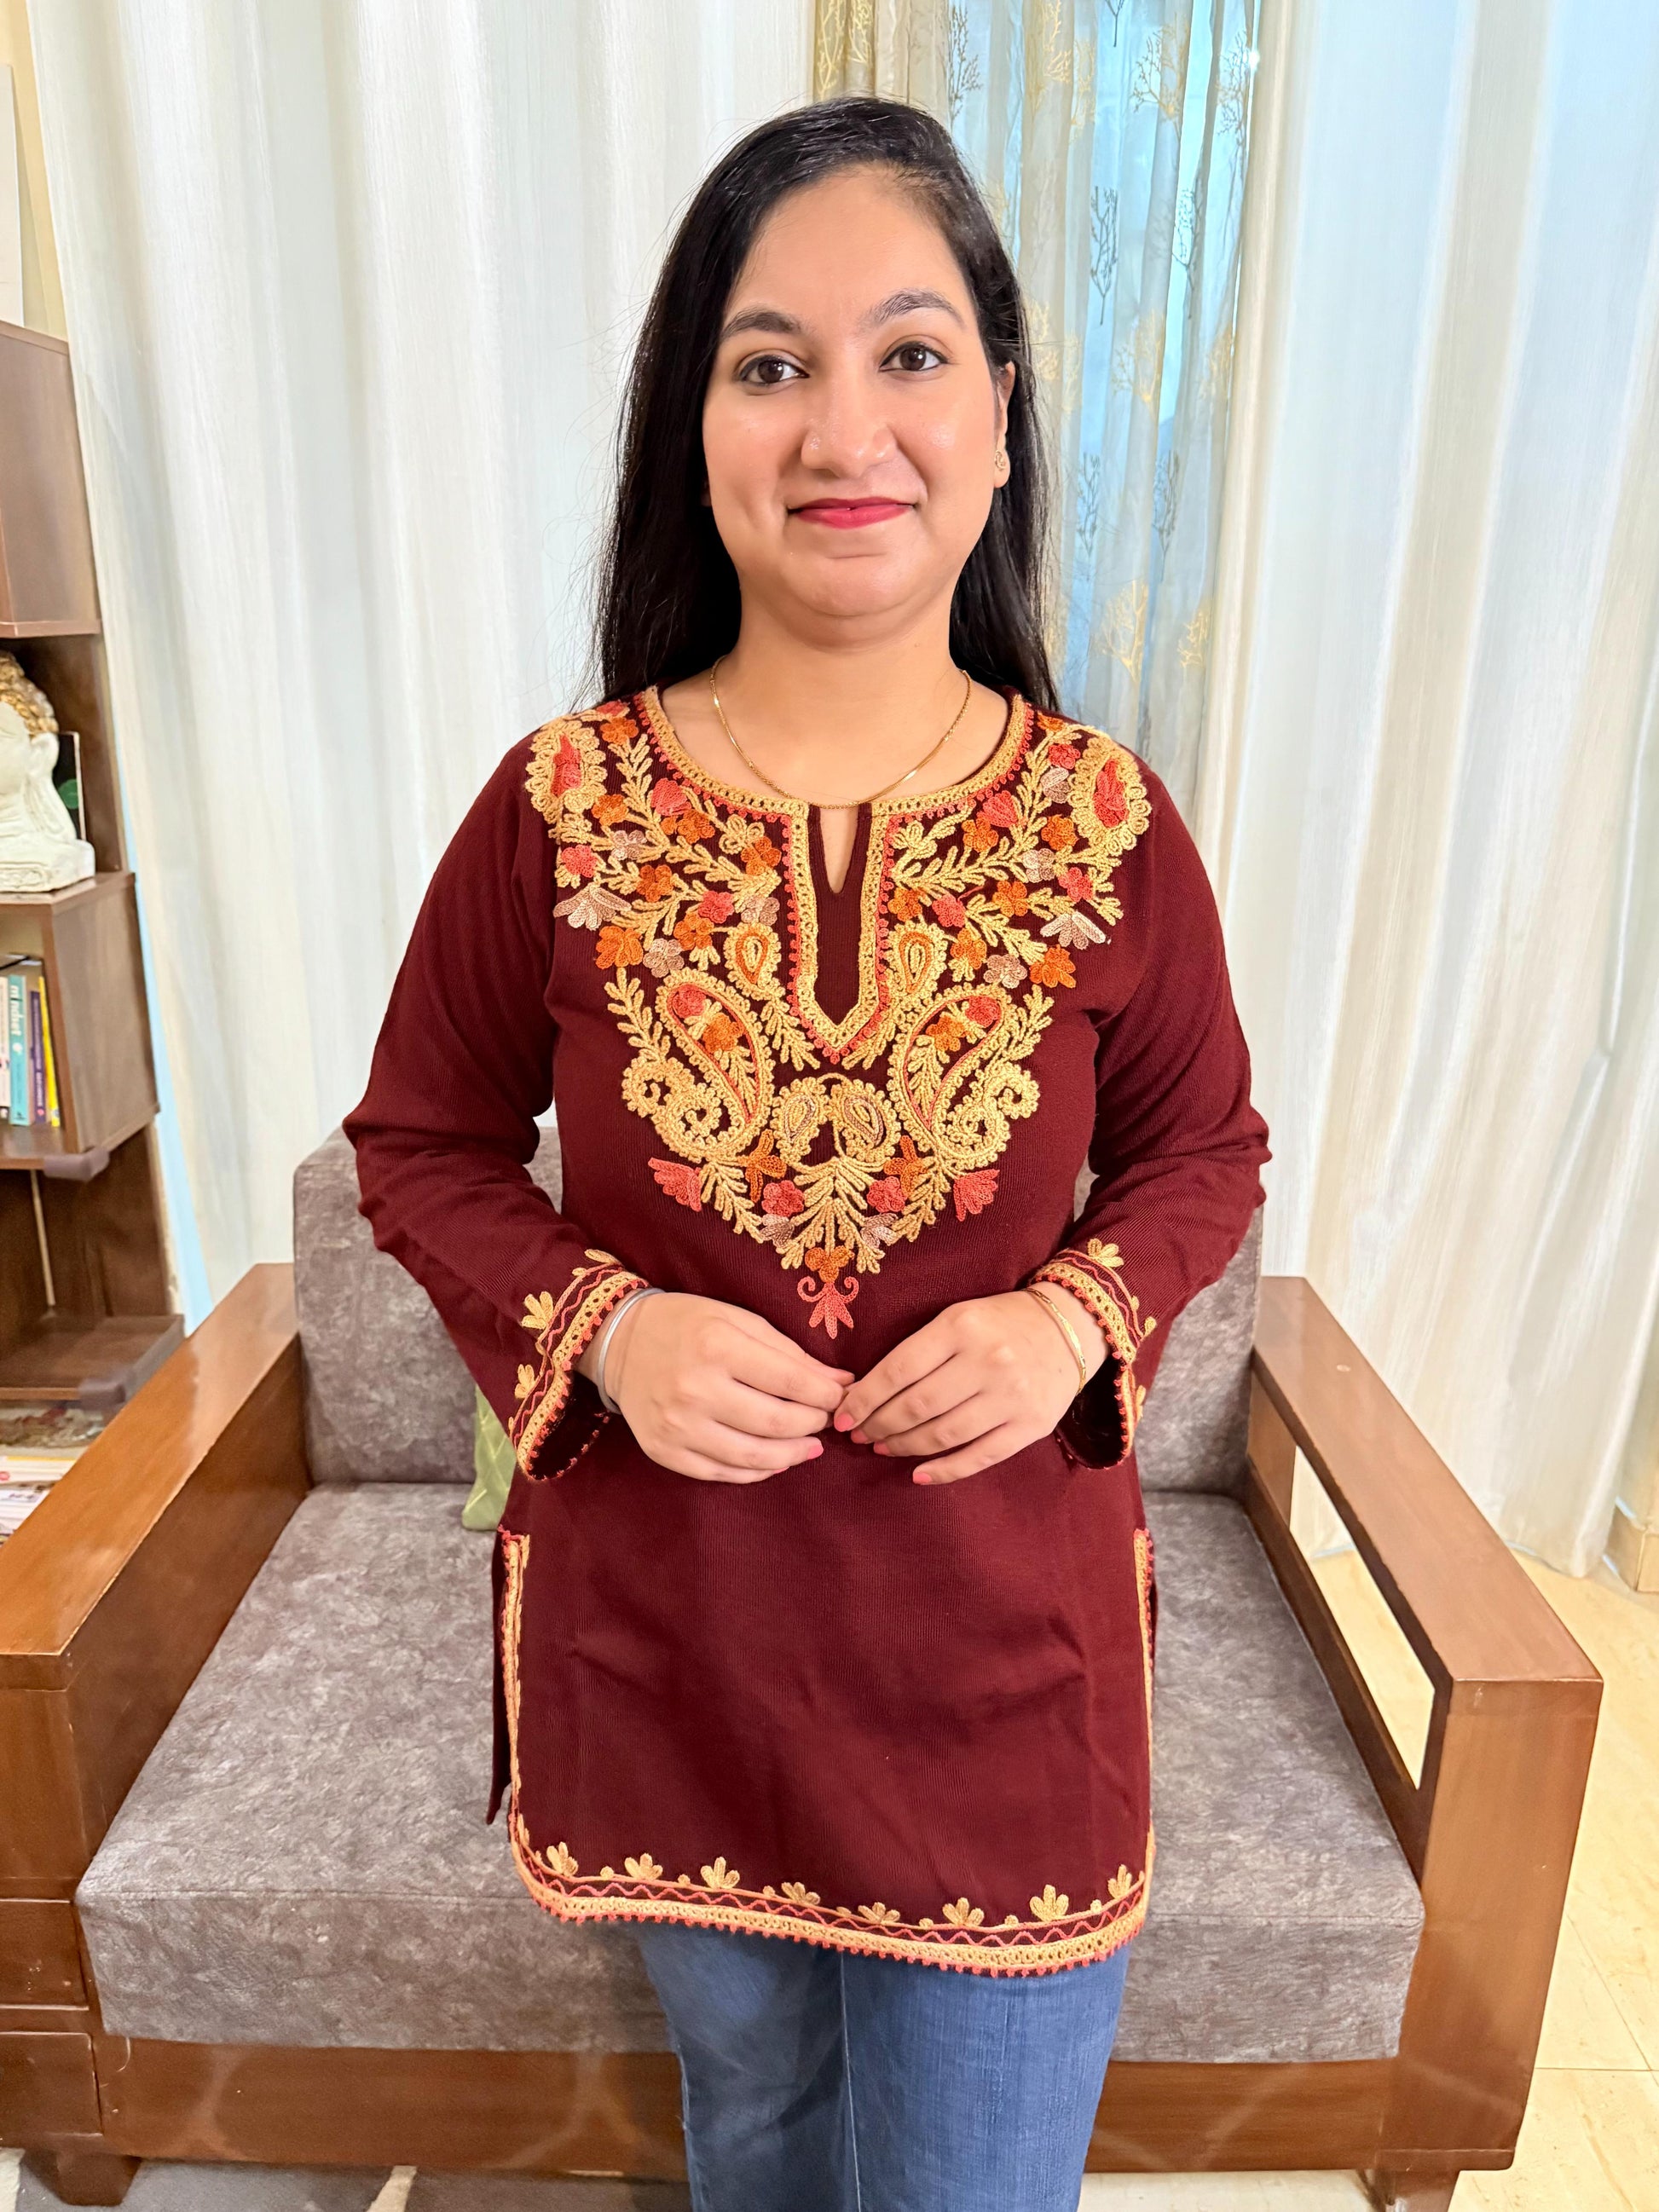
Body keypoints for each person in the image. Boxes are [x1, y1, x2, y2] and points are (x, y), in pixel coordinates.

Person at [344, 94, 1271, 2212]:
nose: (845, 426)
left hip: (999, 1670)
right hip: (682, 1650)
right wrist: (607, 1322)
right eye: (771, 364)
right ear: (698, 423)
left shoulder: (1107, 825)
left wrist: (1071, 1317)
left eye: (910, 352)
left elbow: (1202, 1146)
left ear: (1004, 417)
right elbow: (422, 1142)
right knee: (753, 2153)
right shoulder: (558, 808)